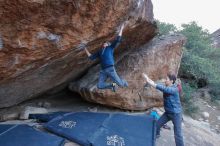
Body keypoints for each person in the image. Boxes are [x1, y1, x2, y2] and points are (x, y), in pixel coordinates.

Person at [142, 73, 184, 146]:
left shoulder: (173, 89)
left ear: (171, 81)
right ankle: (156, 135)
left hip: (176, 114)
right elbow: (155, 83)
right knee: (156, 125)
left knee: (178, 134)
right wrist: (147, 79)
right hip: (168, 113)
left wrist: (149, 81)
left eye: (167, 79)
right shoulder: (167, 85)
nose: (165, 80)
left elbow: (163, 88)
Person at [83, 24, 128, 92]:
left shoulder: (110, 48)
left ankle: (123, 81)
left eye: (106, 43)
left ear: (108, 44)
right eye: (104, 43)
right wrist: (85, 48)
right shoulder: (100, 51)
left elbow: (118, 39)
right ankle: (112, 85)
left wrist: (121, 28)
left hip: (110, 68)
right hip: (103, 70)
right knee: (99, 85)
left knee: (121, 85)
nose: (105, 43)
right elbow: (91, 57)